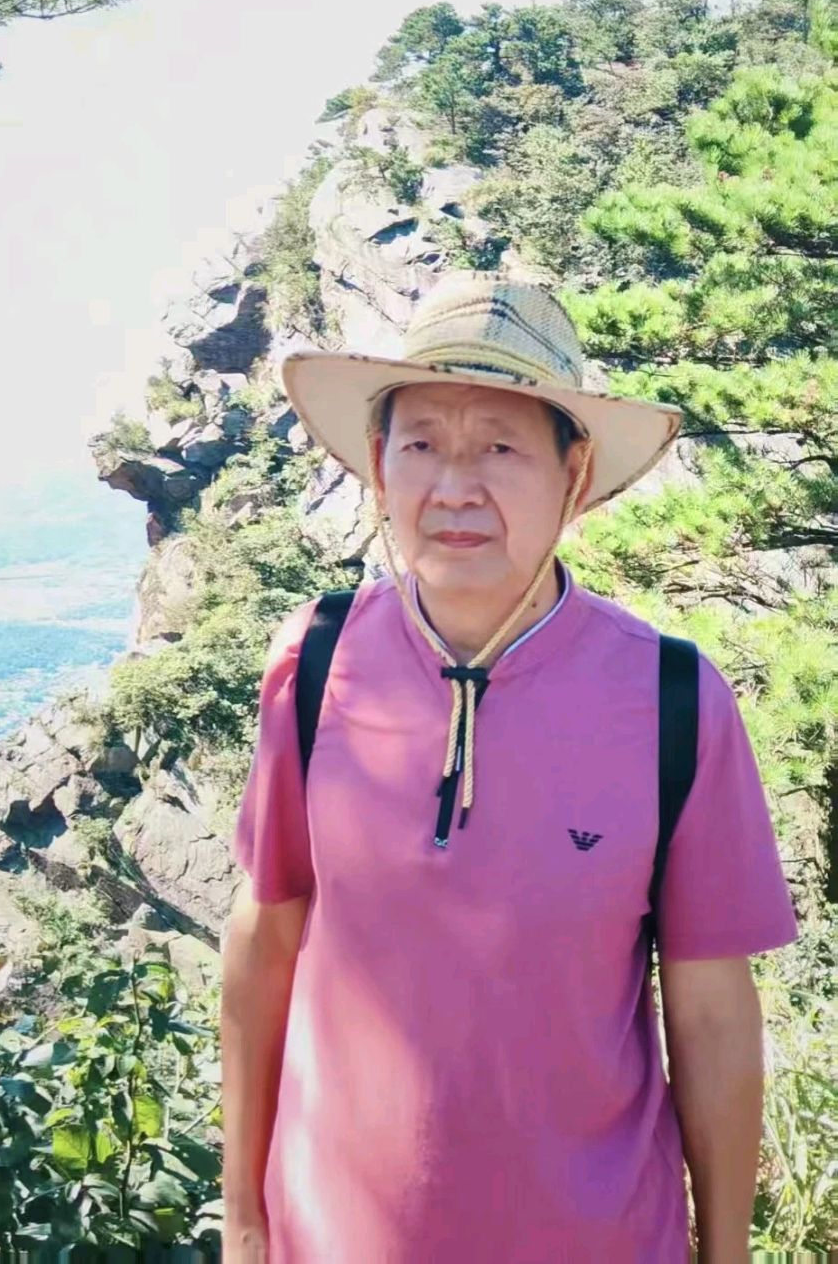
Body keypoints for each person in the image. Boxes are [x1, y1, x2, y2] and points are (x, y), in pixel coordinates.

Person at [220, 273, 797, 1264]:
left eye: (498, 447)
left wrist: (727, 1252)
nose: (454, 488)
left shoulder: (670, 697)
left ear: (574, 475)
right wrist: (242, 1219)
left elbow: (708, 1011)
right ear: (377, 464)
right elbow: (264, 938)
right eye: (420, 444)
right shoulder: (314, 662)